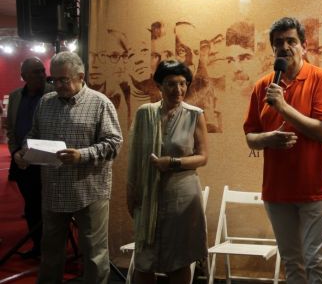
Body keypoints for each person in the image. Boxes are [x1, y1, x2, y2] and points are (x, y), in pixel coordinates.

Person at [13, 51, 123, 284]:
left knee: (94, 254)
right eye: (54, 79)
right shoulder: (46, 102)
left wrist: (82, 155)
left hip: (89, 192)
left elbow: (114, 143)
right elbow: (33, 134)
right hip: (53, 190)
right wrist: (23, 152)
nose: (58, 85)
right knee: (50, 252)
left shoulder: (100, 103)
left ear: (80, 76)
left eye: (64, 79)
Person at [243, 17, 322, 284]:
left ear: (304, 46)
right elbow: (251, 137)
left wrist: (283, 107)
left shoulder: (321, 78)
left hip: (315, 188)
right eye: (278, 43)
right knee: (292, 263)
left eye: (291, 41)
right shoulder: (262, 86)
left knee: (317, 263)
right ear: (273, 49)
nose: (285, 47)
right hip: (277, 191)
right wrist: (268, 139)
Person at [127, 59, 208, 284]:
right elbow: (135, 156)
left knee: (179, 260)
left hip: (182, 196)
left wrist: (172, 162)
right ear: (159, 86)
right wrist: (131, 192)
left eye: (183, 83)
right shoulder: (145, 113)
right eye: (171, 84)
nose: (178, 89)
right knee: (144, 261)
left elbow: (202, 157)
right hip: (149, 194)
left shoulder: (194, 114)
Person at [5, 57, 54, 259]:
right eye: (36, 72)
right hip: (22, 160)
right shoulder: (16, 96)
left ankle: (52, 248)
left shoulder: (54, 93)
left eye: (42, 70)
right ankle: (37, 246)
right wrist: (15, 151)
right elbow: (11, 129)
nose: (42, 75)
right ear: (24, 76)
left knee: (48, 206)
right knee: (31, 204)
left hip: (46, 158)